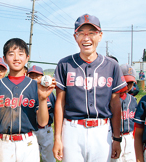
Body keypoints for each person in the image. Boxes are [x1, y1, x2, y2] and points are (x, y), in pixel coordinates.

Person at [53, 13, 127, 162]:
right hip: (72, 130)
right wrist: (58, 138)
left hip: (101, 129)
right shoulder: (65, 64)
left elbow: (115, 104)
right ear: (75, 37)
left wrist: (117, 138)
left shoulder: (111, 65)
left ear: (100, 36)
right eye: (81, 33)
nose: (86, 38)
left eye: (91, 33)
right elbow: (60, 103)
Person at [0, 38, 56, 162]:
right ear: (4, 59)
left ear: (27, 58)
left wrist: (43, 99)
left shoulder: (35, 85)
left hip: (28, 142)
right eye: (11, 54)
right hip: (2, 143)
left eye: (21, 54)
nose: (16, 58)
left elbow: (43, 122)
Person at [28, 65, 56, 162]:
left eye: (37, 76)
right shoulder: (26, 92)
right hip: (31, 130)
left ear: (43, 77)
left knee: (48, 158)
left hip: (45, 130)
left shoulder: (47, 92)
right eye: (31, 75)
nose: (34, 78)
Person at [111, 64, 137, 162]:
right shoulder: (110, 99)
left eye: (130, 83)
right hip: (113, 137)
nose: (127, 85)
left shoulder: (133, 100)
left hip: (129, 137)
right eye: (125, 82)